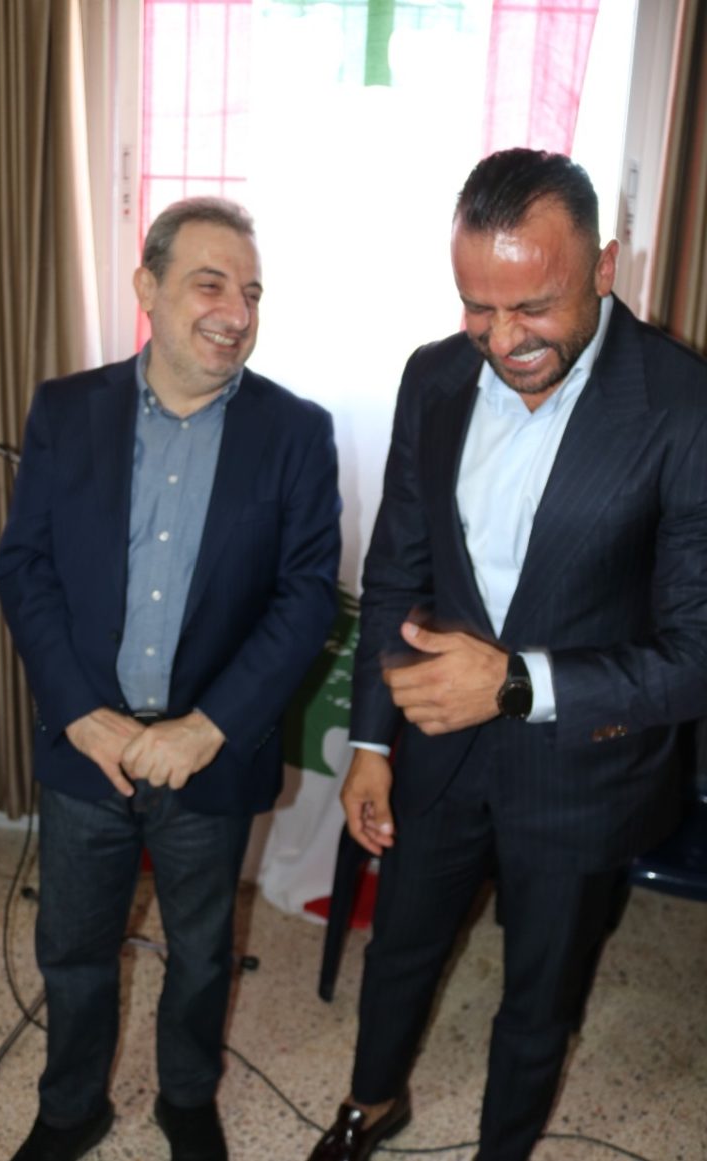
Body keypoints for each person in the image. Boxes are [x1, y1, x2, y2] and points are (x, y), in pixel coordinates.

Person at [307, 148, 707, 1161]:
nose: (502, 340)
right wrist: (372, 745)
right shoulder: (434, 375)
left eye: (534, 306)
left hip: (584, 775)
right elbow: (397, 573)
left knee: (539, 995)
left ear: (604, 267)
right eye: (477, 307)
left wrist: (517, 683)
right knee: (399, 947)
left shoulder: (684, 407)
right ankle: (370, 1102)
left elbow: (695, 655)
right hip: (437, 754)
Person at [0, 196, 341, 1161]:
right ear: (147, 287)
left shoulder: (297, 432)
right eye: (210, 283)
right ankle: (72, 1106)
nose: (236, 311)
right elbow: (24, 567)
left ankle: (187, 1096)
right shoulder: (67, 410)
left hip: (209, 754)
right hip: (87, 749)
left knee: (200, 945)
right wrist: (80, 714)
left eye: (252, 292)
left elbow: (307, 597)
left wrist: (208, 727)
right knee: (72, 945)